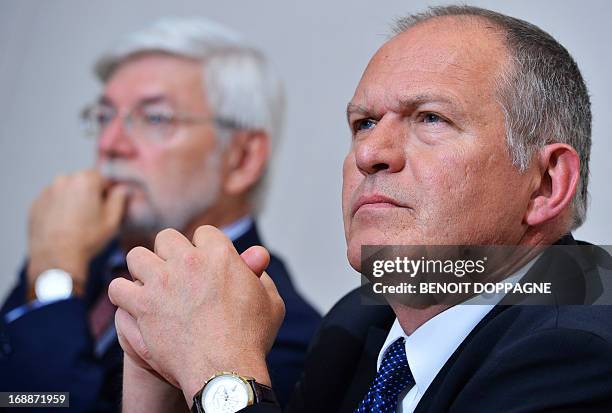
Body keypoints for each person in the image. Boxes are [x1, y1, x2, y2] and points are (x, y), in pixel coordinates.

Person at [110, 5, 611, 413]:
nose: (370, 154)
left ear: (546, 183)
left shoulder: (585, 351)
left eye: (430, 118)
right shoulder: (354, 327)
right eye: (365, 123)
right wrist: (161, 377)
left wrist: (221, 374)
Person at [0, 18, 321, 412]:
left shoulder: (276, 330)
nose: (109, 144)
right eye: (104, 117)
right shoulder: (77, 250)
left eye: (154, 118)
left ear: (242, 159)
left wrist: (56, 279)